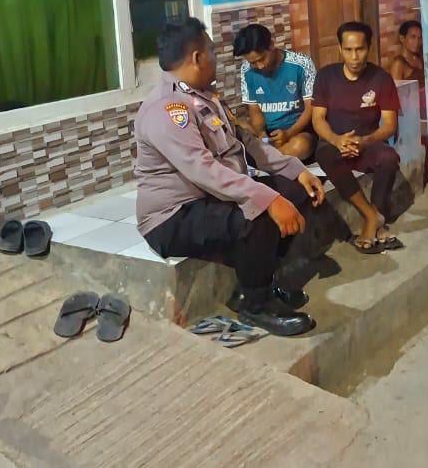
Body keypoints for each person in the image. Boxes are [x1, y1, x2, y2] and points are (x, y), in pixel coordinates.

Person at [134, 17, 325, 336]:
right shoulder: (167, 109)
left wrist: (296, 170)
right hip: (173, 217)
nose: (216, 58)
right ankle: (256, 304)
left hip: (206, 200)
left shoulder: (204, 97)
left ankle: (256, 283)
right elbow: (204, 171)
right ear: (197, 58)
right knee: (258, 213)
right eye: (211, 51)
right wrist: (268, 200)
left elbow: (246, 141)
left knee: (293, 190)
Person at [312, 22, 404, 255]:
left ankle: (375, 218)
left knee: (388, 158)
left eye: (360, 49)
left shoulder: (381, 79)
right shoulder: (326, 77)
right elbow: (318, 119)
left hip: (367, 144)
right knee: (326, 155)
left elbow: (390, 125)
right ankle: (372, 217)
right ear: (340, 49)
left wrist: (364, 142)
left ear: (369, 48)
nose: (354, 57)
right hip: (335, 144)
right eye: (348, 50)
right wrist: (336, 140)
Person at [235, 23, 317, 161]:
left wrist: (288, 133)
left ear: (271, 45)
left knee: (300, 145)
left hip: (297, 131)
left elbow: (311, 108)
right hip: (269, 135)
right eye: (253, 63)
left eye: (262, 59)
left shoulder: (302, 64)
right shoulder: (246, 70)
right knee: (240, 126)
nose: (259, 66)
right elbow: (255, 111)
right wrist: (261, 134)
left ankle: (266, 160)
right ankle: (274, 158)